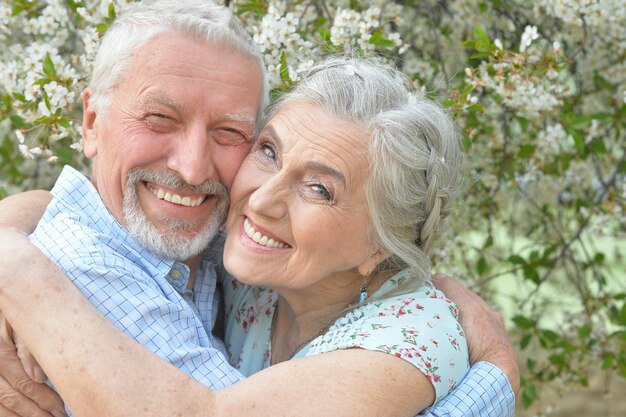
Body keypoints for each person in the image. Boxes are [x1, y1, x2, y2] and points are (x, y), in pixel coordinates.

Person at [0, 1, 518, 416]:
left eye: (319, 189)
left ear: (380, 243)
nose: (193, 168)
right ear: (91, 124)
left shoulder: (237, 263)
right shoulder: (115, 273)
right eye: (269, 152)